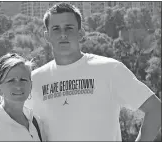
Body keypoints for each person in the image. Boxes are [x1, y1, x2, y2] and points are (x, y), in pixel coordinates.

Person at [25, 2, 161, 141]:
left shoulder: (109, 69)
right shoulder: (33, 80)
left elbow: (155, 109)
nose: (63, 34)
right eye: (56, 29)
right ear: (47, 36)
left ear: (81, 33)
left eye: (69, 28)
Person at [0, 53, 45, 141]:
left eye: (23, 79)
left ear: (31, 85)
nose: (18, 86)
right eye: (11, 81)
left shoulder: (36, 122)